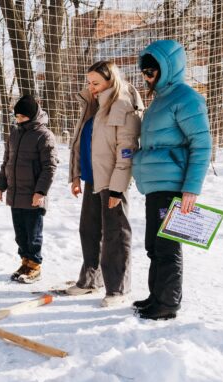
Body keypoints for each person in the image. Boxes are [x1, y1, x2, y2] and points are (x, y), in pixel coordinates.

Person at [132, 40, 212, 320]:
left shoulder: (186, 98)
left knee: (167, 247)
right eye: (144, 71)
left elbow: (201, 145)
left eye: (152, 70)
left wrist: (192, 188)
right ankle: (157, 296)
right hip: (155, 185)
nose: (147, 75)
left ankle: (167, 304)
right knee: (153, 246)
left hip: (173, 186)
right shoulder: (159, 100)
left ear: (169, 68)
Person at [66, 61, 143, 307]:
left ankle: (118, 288)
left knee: (115, 234)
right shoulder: (92, 103)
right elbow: (81, 142)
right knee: (88, 230)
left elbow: (127, 148)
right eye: (89, 83)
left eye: (96, 83)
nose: (91, 87)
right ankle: (91, 280)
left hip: (112, 180)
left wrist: (118, 188)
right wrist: (76, 175)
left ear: (111, 80)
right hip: (92, 177)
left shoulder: (121, 104)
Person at [0, 95, 58, 284]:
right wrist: (0, 186)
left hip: (33, 195)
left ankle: (35, 265)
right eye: (17, 117)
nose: (18, 120)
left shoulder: (44, 135)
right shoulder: (14, 134)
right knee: (20, 234)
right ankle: (25, 262)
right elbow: (7, 162)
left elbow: (49, 167)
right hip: (15, 194)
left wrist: (40, 192)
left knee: (33, 234)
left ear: (32, 115)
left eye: (22, 117)